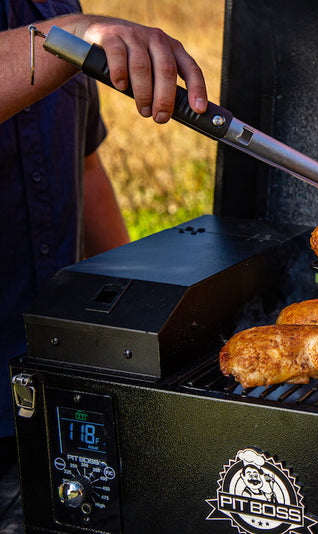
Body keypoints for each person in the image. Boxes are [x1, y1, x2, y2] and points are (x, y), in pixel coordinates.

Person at [0, 1, 209, 529]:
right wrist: (68, 36)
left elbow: (85, 166)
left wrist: (141, 312)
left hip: (60, 383)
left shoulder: (54, 3)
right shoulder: (65, 21)